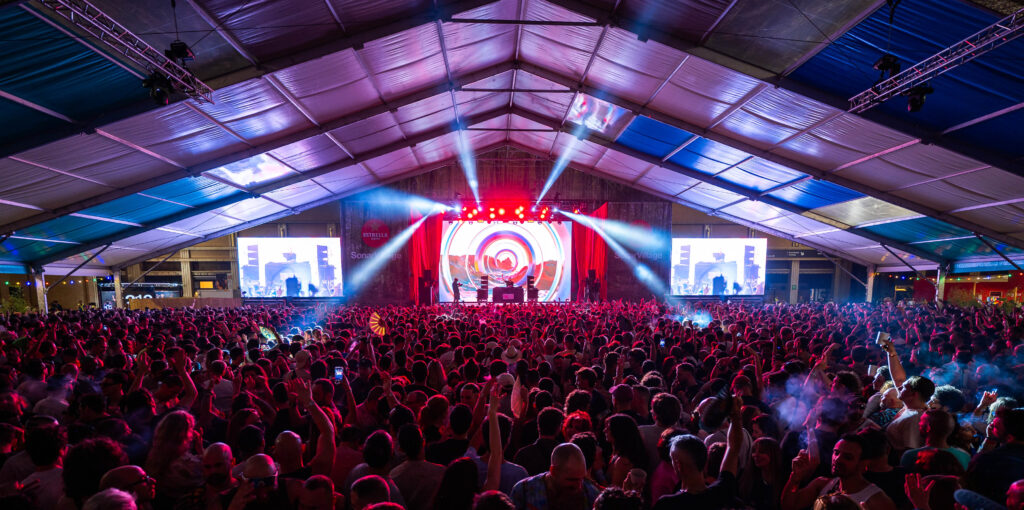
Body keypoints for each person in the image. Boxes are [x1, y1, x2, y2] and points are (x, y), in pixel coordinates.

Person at [653, 394, 743, 510]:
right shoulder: (721, 492)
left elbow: (733, 447)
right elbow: (733, 448)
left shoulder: (668, 504)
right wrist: (735, 415)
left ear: (678, 465)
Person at [781, 434, 896, 510]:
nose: (837, 459)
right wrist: (795, 477)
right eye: (836, 453)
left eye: (847, 457)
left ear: (863, 463)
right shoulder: (822, 484)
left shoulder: (877, 500)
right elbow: (789, 506)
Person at [509, 443, 600, 510]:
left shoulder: (591, 493)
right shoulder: (524, 491)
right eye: (572, 480)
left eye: (582, 479)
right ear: (553, 471)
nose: (579, 486)